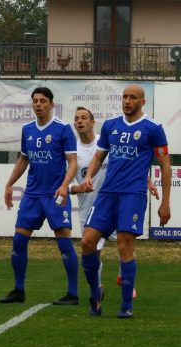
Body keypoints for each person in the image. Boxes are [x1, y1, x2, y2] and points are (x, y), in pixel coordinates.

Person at [80, 84, 171, 318]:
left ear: (142, 102)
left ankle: (126, 307)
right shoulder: (111, 125)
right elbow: (99, 156)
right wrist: (89, 175)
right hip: (107, 194)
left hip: (133, 194)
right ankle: (95, 292)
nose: (127, 101)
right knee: (87, 242)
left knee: (124, 244)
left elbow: (165, 165)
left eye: (132, 97)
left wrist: (165, 202)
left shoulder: (153, 128)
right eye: (124, 97)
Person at [0, 87, 79, 305]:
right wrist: (9, 184)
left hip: (55, 195)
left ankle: (73, 293)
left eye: (43, 101)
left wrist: (65, 186)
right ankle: (18, 290)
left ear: (51, 104)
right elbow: (24, 159)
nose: (38, 104)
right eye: (35, 101)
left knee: (64, 242)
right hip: (32, 195)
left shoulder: (63, 129)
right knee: (18, 241)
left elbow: (72, 161)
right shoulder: (28, 129)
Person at [70, 106, 158, 298]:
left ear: (93, 123)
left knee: (124, 244)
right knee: (92, 249)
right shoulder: (72, 152)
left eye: (84, 117)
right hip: (88, 208)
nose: (80, 121)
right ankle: (98, 289)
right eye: (76, 118)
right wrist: (79, 187)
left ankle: (124, 279)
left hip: (118, 202)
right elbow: (65, 186)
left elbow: (130, 163)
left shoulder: (108, 141)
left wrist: (148, 181)